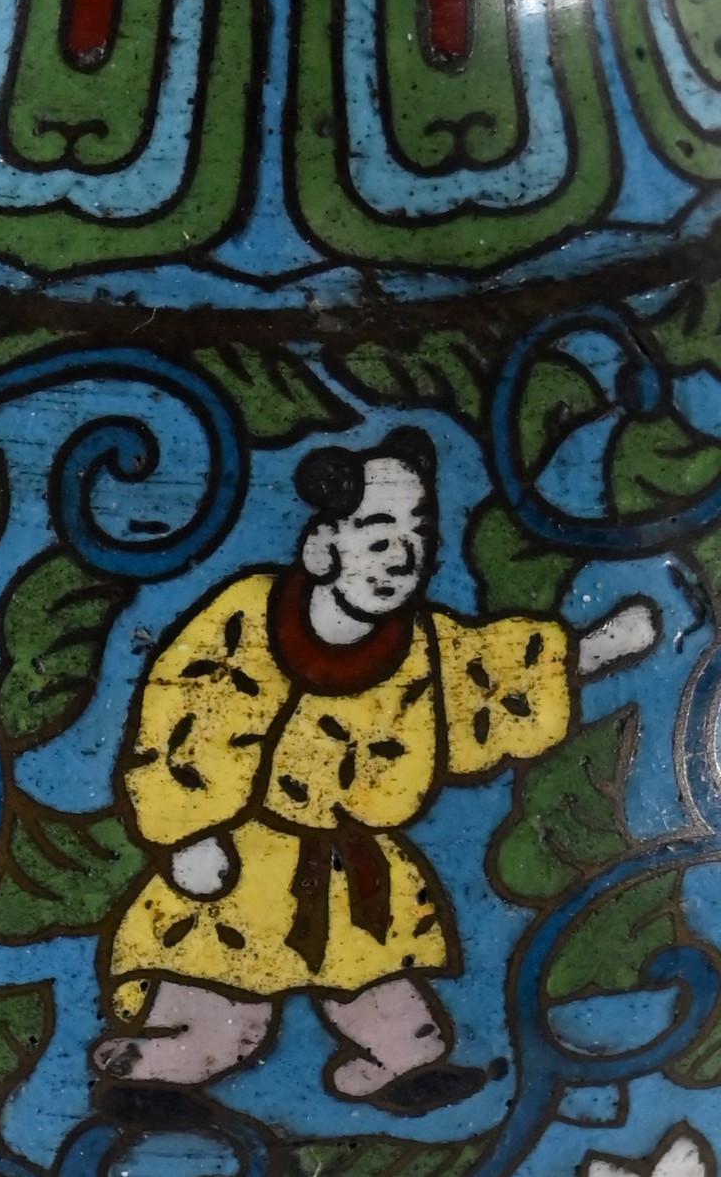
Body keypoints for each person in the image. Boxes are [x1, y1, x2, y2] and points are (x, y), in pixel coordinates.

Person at [92, 427, 620, 1114]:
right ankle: (148, 1072)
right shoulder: (251, 616)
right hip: (243, 867)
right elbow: (186, 712)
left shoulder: (422, 643)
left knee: (401, 1020)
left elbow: (492, 678)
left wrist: (597, 648)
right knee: (228, 1027)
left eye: (418, 535)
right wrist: (188, 835)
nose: (402, 555)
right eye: (377, 535)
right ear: (322, 547)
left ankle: (401, 1070)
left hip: (355, 872)